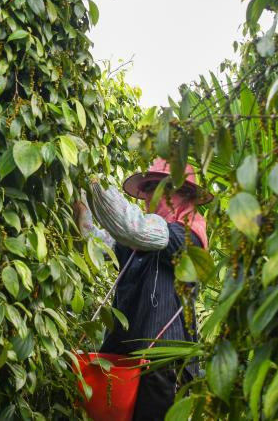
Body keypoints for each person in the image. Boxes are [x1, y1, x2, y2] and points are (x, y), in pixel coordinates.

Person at [73, 158, 212, 420]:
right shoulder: (138, 239)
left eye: (156, 188)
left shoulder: (189, 235)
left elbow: (133, 228)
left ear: (182, 194)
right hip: (123, 357)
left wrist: (93, 179)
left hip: (163, 364)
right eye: (146, 188)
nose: (148, 196)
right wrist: (79, 198)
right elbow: (93, 242)